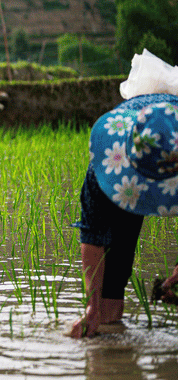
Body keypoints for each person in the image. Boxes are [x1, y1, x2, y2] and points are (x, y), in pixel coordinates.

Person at [70, 93, 178, 338]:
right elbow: (93, 233)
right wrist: (92, 307)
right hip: (130, 165)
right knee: (110, 286)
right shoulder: (108, 167)